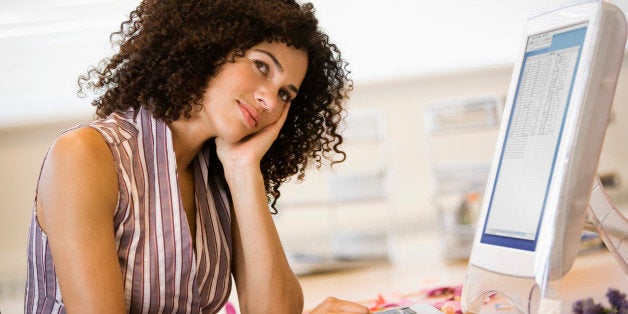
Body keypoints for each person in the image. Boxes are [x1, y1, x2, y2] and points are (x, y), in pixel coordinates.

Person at [24, 0, 374, 313]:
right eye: (262, 66)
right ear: (210, 45)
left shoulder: (220, 171)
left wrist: (242, 168)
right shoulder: (85, 155)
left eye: (286, 94)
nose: (269, 99)